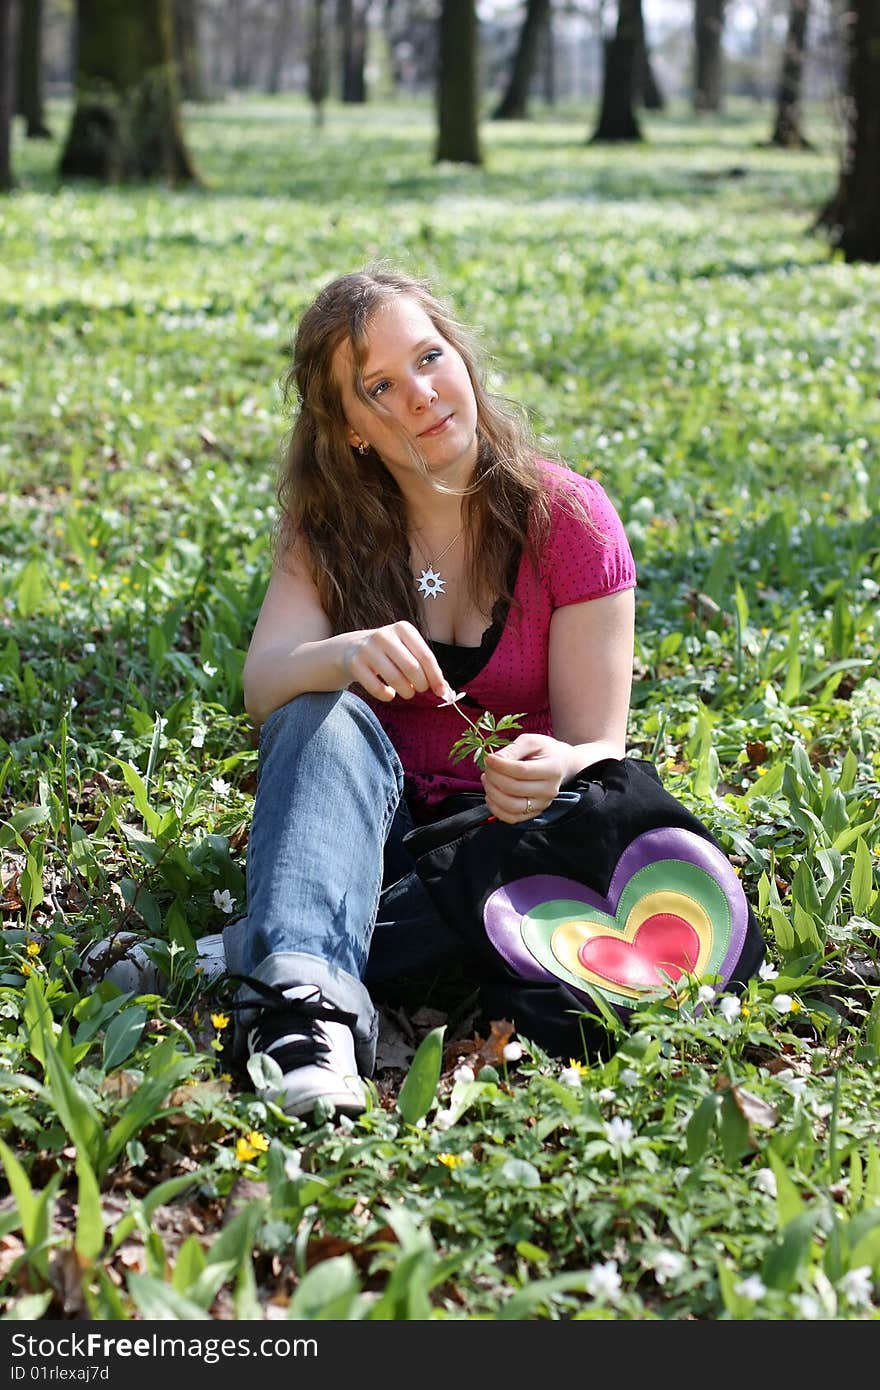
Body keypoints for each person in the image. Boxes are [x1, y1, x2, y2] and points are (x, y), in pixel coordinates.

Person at [84, 265, 637, 1120]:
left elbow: (604, 749)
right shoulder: (330, 530)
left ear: (460, 356)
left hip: (502, 838)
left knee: (559, 838)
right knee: (317, 711)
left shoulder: (568, 520)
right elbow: (265, 683)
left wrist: (557, 762)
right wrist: (341, 653)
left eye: (429, 357)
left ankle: (255, 951)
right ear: (348, 429)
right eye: (379, 386)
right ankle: (311, 1027)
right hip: (356, 825)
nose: (420, 394)